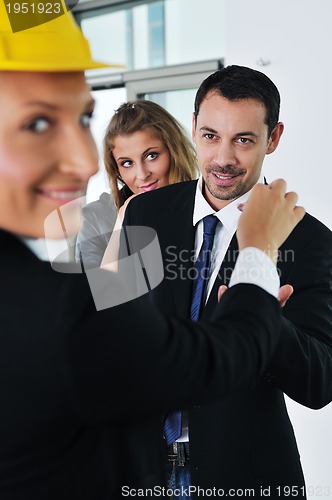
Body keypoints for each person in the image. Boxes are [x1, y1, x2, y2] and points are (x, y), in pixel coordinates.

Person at [0, 3, 305, 497]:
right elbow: (133, 342)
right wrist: (258, 264)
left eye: (82, 117)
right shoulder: (124, 227)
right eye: (36, 123)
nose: (82, 162)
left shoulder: (307, 236)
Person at [122, 65, 332, 498]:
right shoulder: (145, 215)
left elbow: (320, 383)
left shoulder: (309, 240)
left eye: (244, 140)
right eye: (211, 135)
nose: (223, 159)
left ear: (273, 139)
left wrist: (269, 326)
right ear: (194, 128)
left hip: (244, 474)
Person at [76, 99, 197, 268]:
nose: (142, 174)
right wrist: (121, 225)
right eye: (127, 163)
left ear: (174, 152)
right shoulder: (94, 219)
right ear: (116, 169)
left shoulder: (203, 209)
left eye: (151, 156)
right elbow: (98, 292)